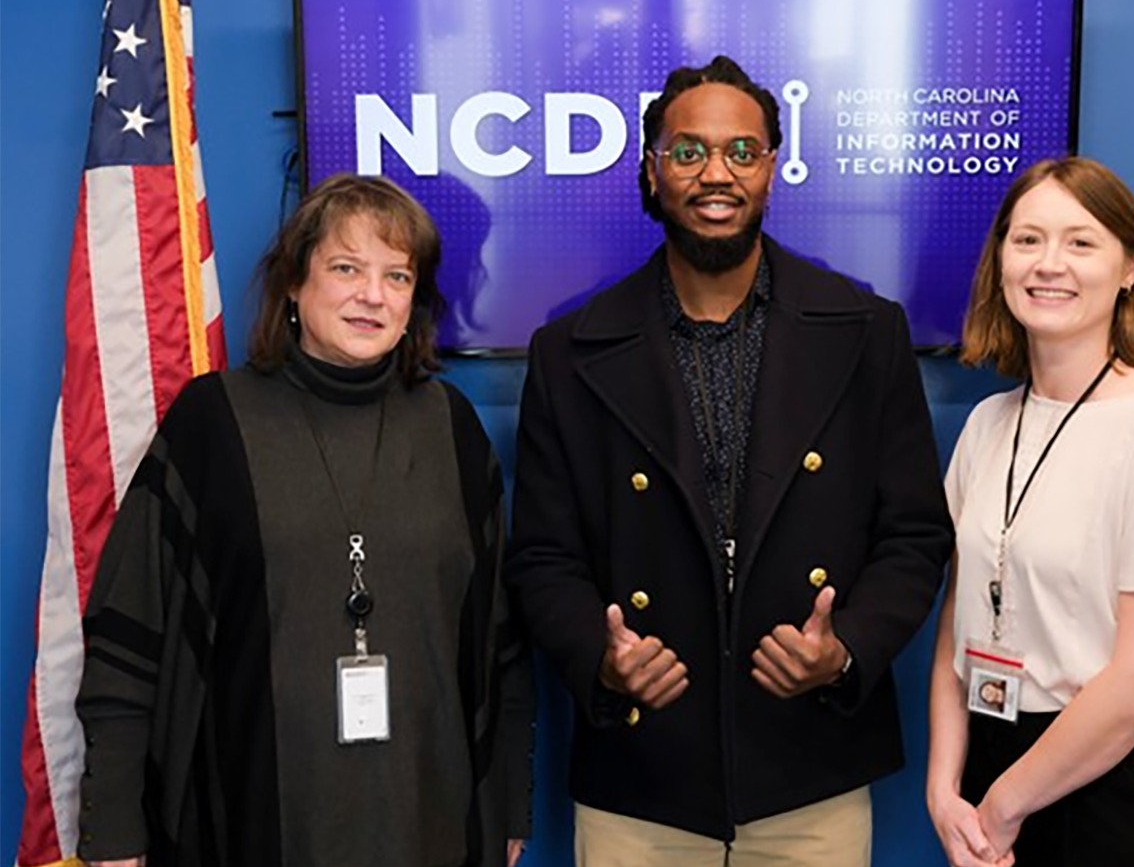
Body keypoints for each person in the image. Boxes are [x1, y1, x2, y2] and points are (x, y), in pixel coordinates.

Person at [505, 55, 953, 866]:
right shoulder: (568, 353)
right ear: (652, 169)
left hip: (809, 774)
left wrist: (845, 646)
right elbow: (542, 555)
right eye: (689, 152)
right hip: (638, 785)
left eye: (742, 152)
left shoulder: (863, 331)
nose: (718, 173)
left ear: (772, 169)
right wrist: (601, 660)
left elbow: (915, 535)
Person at [75, 174, 533, 867]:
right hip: (250, 822)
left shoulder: (454, 429)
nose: (372, 295)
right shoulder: (212, 424)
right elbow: (129, 639)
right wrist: (112, 827)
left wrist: (508, 803)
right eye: (346, 268)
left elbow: (501, 649)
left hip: (431, 821)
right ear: (294, 281)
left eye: (397, 276)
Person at [926, 157, 1134, 867]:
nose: (1049, 264)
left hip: (1121, 797)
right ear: (1000, 259)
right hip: (989, 772)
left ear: (1132, 266)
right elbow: (958, 619)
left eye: (1080, 241)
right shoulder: (987, 425)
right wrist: (945, 791)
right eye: (1027, 239)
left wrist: (1005, 807)